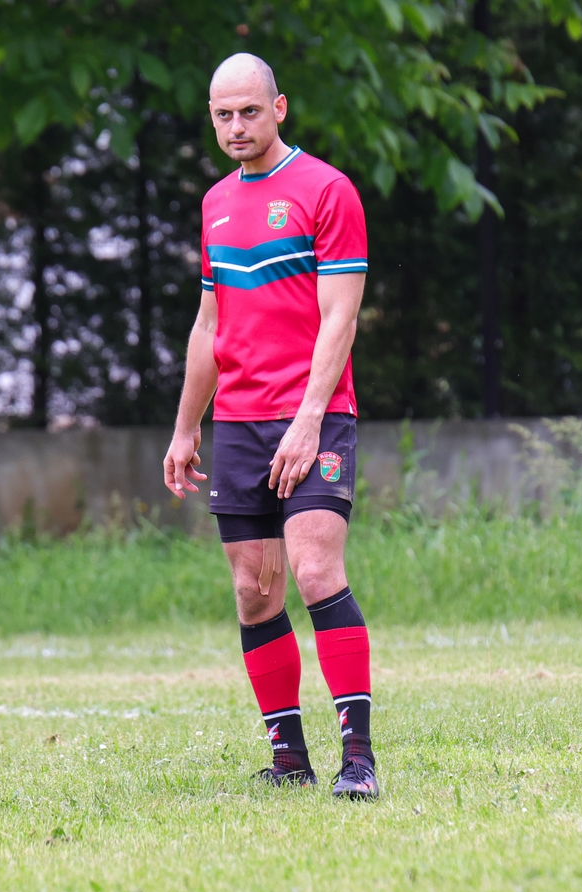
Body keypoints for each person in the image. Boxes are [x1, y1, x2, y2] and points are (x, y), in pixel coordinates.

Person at [164, 53, 378, 799]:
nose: (236, 126)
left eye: (249, 112)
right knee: (255, 591)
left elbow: (341, 317)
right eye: (223, 114)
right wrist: (186, 426)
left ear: (279, 108)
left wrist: (310, 419)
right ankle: (290, 760)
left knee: (315, 572)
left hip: (315, 415)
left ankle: (359, 760)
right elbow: (209, 324)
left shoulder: (326, 190)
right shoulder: (216, 203)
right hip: (239, 422)